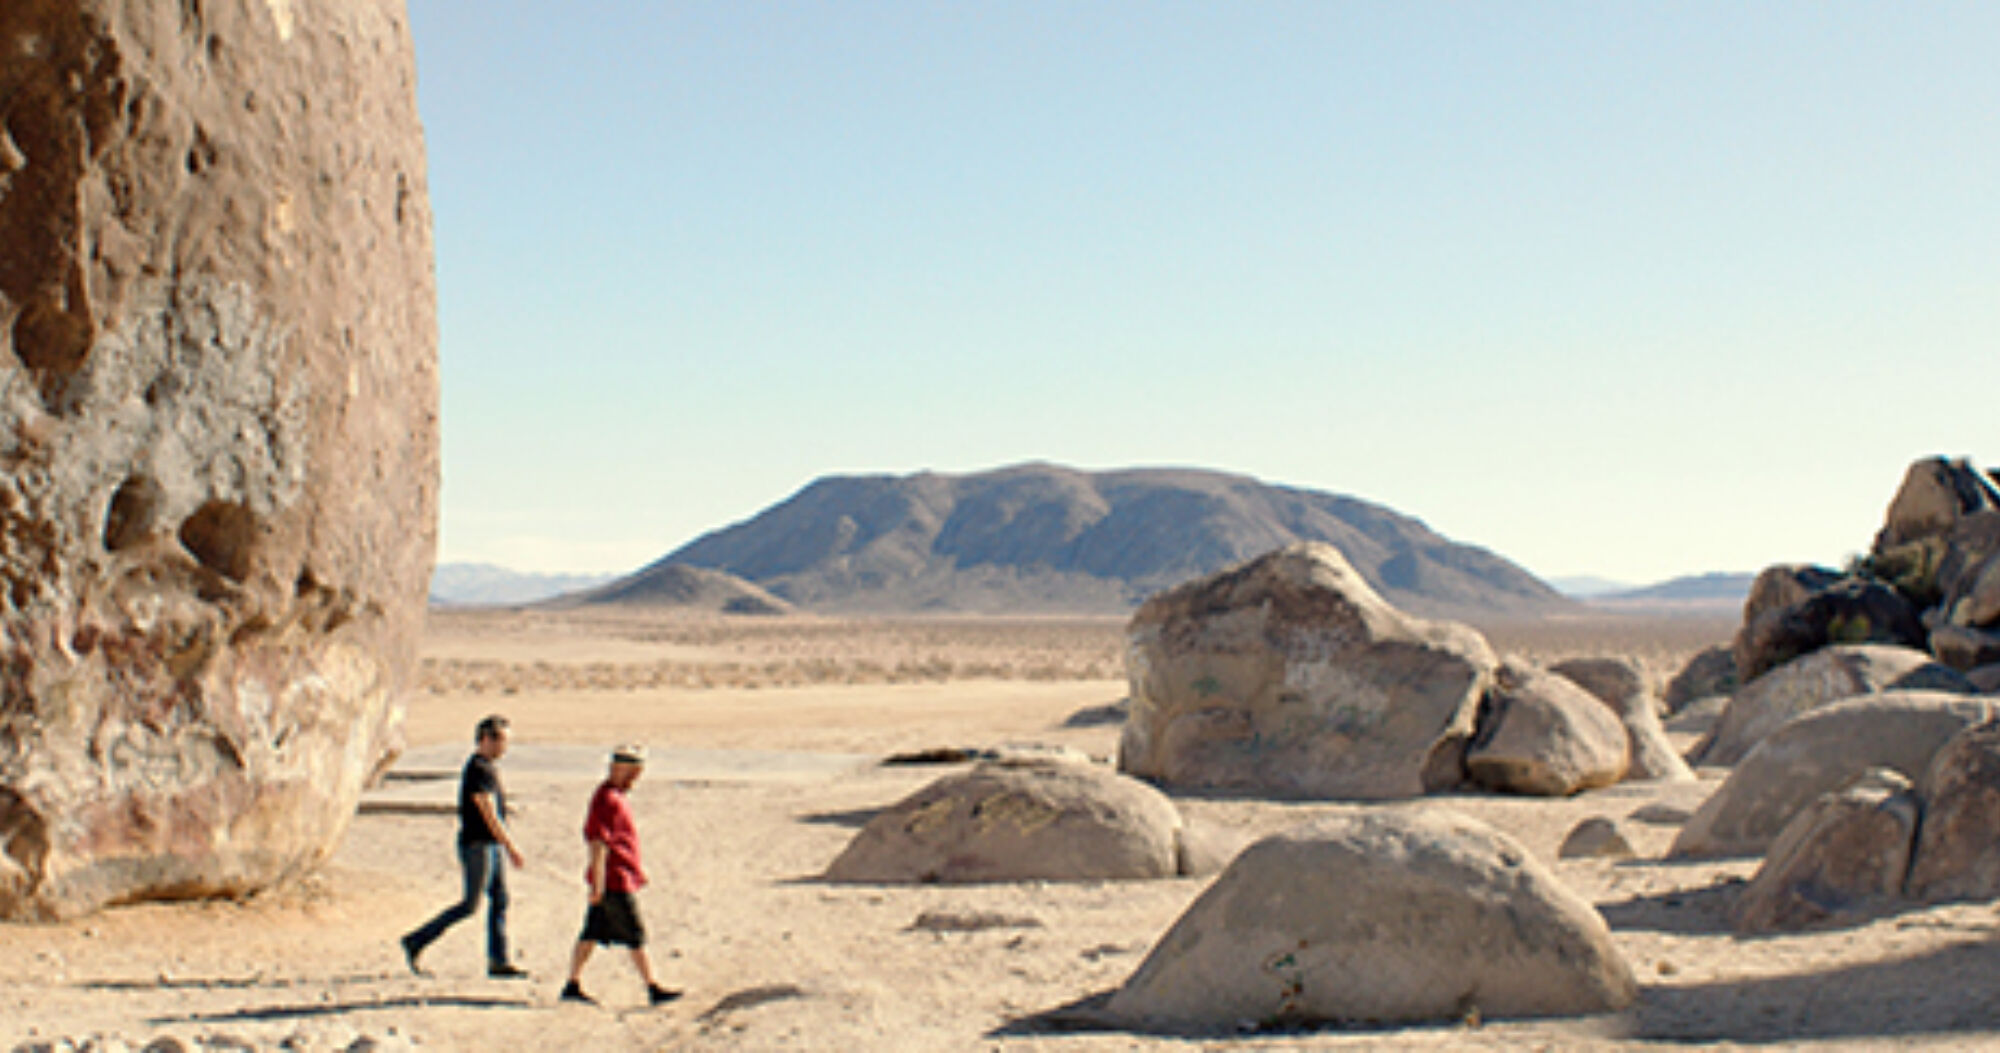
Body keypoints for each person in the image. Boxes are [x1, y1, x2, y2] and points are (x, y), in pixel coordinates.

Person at [401, 714, 529, 978]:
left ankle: (498, 960)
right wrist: (511, 846)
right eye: (502, 740)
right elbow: (488, 812)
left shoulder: (488, 768)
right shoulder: (478, 770)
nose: (505, 747)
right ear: (486, 739)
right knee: (470, 905)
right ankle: (416, 940)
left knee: (500, 899)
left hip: (491, 844)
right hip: (478, 845)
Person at [560, 744, 680, 1007]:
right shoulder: (607, 799)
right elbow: (598, 843)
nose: (636, 778)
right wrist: (599, 885)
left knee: (591, 933)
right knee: (634, 935)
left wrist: (636, 870)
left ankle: (572, 983)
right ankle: (652, 986)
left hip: (618, 876)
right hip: (614, 881)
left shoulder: (615, 795)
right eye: (634, 772)